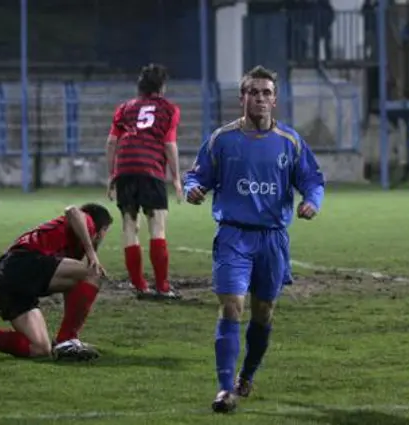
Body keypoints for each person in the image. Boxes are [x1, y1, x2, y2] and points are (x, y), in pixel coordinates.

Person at [183, 65, 325, 413]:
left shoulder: (290, 141)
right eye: (253, 92)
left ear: (275, 100)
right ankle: (224, 388)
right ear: (242, 97)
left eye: (266, 92)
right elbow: (196, 176)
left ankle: (247, 374)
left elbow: (312, 179)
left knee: (264, 313)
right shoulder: (222, 139)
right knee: (232, 305)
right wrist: (193, 190)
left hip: (272, 240)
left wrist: (311, 201)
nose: (259, 98)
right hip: (233, 235)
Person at [0, 203, 113, 361]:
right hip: (23, 262)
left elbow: (73, 287)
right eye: (106, 231)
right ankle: (67, 339)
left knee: (40, 348)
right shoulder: (88, 222)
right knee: (94, 273)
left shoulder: (73, 247)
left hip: (6, 275)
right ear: (102, 229)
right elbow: (71, 210)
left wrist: (89, 252)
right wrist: (92, 252)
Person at [106, 64, 182, 300]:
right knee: (157, 226)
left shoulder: (125, 108)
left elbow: (111, 142)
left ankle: (139, 285)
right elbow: (169, 145)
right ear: (162, 86)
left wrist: (112, 175)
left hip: (125, 169)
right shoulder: (168, 110)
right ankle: (162, 286)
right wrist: (177, 178)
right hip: (150, 169)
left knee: (130, 227)